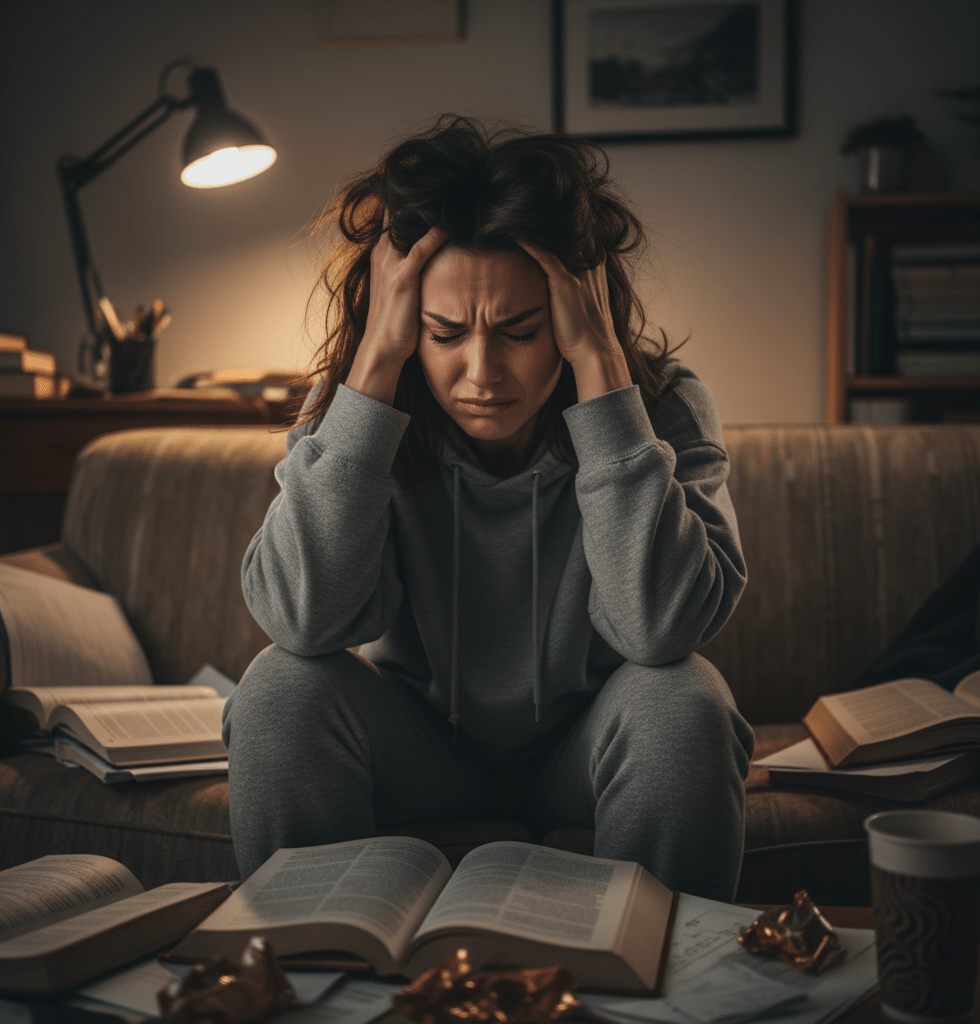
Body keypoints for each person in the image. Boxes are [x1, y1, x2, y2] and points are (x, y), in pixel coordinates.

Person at [224, 115, 755, 901]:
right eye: (443, 333)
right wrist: (375, 366)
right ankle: (310, 981)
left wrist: (603, 376)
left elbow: (661, 628)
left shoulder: (662, 407)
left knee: (686, 700)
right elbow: (302, 618)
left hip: (588, 746)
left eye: (519, 330)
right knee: (277, 689)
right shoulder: (360, 405)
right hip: (422, 752)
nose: (481, 373)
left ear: (575, 313)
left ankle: (668, 993)